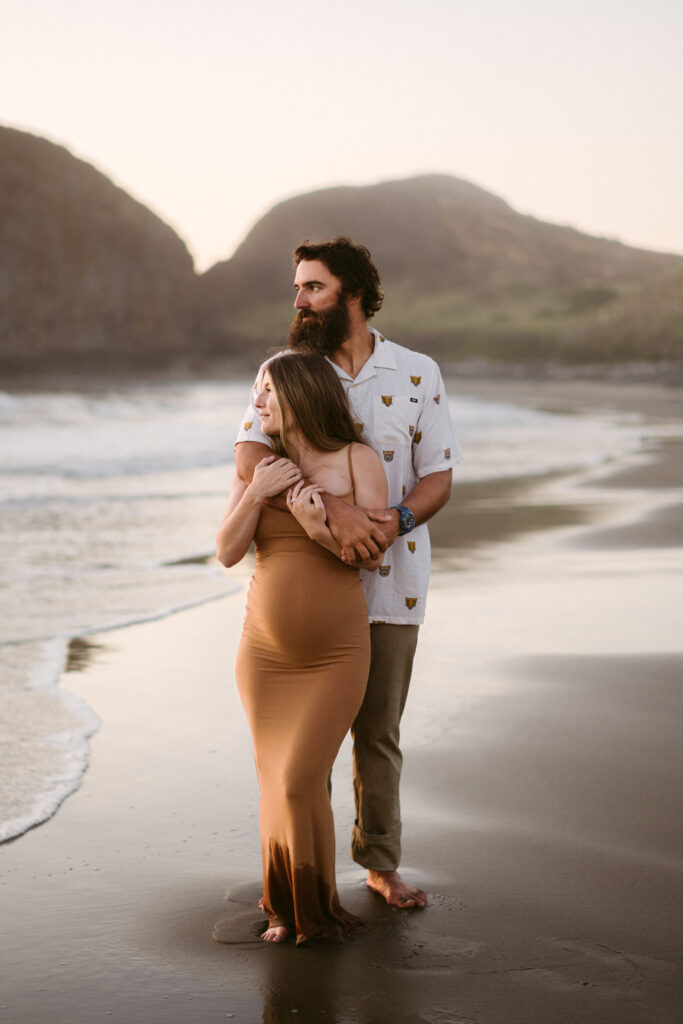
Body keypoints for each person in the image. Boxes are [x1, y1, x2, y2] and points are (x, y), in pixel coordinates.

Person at [234, 237, 461, 910]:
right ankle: (304, 875)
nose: (299, 300)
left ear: (351, 293)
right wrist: (334, 509)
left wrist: (394, 520)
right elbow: (250, 460)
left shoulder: (417, 372)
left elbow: (438, 476)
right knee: (304, 741)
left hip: (392, 580)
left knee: (377, 732)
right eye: (298, 287)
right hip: (305, 584)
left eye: (313, 288)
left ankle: (380, 864)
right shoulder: (286, 372)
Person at [217, 352, 388, 945]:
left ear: (298, 395)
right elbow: (227, 551)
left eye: (265, 393)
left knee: (297, 778)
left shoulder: (356, 460)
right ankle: (282, 908)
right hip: (262, 651)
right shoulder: (258, 466)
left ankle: (315, 907)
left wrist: (319, 530)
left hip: (336, 653)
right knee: (276, 780)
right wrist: (253, 493)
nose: (256, 405)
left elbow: (374, 554)